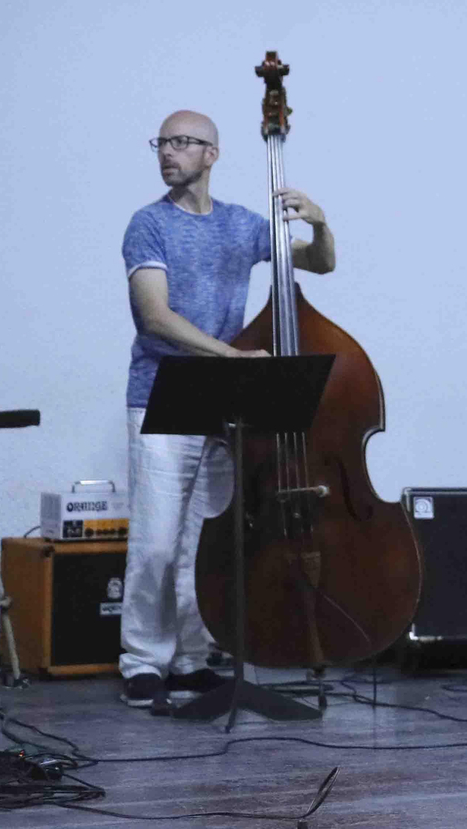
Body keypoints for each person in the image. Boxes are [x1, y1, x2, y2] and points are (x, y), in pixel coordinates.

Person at [118, 110, 335, 708]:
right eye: (162, 142)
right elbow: (154, 317)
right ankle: (141, 661)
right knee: (158, 543)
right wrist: (233, 359)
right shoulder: (149, 224)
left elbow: (318, 263)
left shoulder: (241, 224)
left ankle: (190, 660)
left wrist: (319, 225)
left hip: (222, 402)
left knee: (204, 542)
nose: (168, 152)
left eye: (182, 142)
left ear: (211, 154)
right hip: (162, 393)